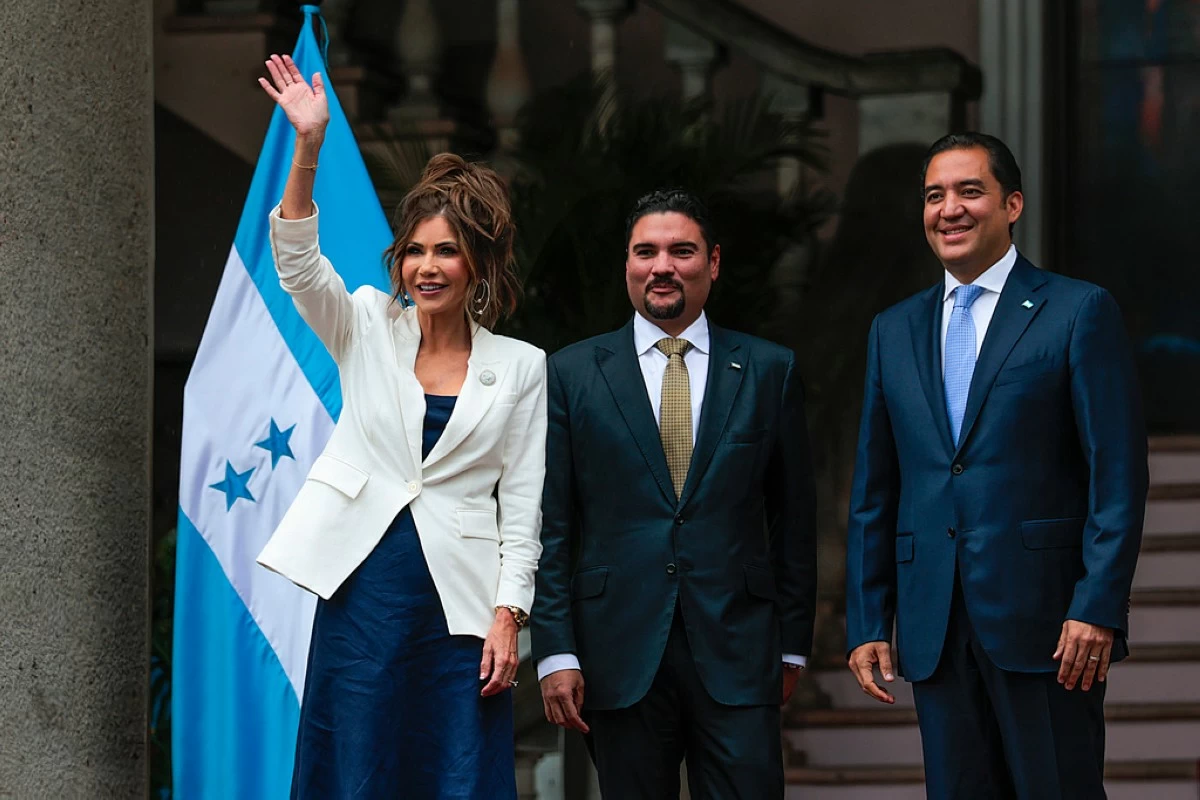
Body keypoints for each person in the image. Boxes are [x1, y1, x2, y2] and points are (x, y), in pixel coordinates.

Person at [253, 54, 546, 799]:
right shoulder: (364, 322)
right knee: (358, 765)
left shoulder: (521, 366)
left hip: (460, 604)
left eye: (446, 250)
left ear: (478, 263)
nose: (427, 266)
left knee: (451, 770)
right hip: (363, 589)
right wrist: (308, 147)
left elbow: (523, 508)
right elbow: (295, 263)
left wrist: (509, 615)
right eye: (414, 251)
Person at [845, 132, 1147, 799]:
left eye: (968, 191)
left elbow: (1117, 476)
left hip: (1048, 625)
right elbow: (875, 489)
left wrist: (1097, 603)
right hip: (934, 623)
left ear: (1012, 205)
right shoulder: (891, 330)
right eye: (934, 195)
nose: (948, 209)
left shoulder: (1077, 311)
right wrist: (869, 619)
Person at [530, 189, 818, 799]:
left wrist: (793, 644)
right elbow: (552, 524)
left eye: (681, 251)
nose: (663, 265)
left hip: (739, 649)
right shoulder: (571, 373)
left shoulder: (770, 370)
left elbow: (793, 521)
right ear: (628, 265)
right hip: (617, 652)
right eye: (646, 252)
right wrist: (555, 651)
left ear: (712, 263)